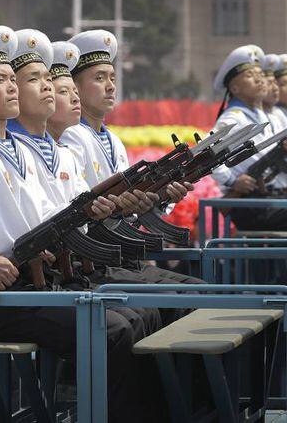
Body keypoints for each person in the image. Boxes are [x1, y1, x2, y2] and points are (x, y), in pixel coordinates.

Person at [0, 25, 165, 422]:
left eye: (12, 79)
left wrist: (82, 220)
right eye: (0, 80)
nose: (11, 87)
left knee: (137, 316)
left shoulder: (16, 147)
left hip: (36, 281)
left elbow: (47, 211)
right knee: (112, 330)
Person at [59, 29, 202, 286]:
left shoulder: (112, 140)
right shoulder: (72, 137)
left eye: (112, 77)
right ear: (75, 88)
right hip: (94, 257)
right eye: (99, 78)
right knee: (189, 292)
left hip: (119, 251)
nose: (111, 86)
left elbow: (131, 205)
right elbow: (79, 205)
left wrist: (160, 197)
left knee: (196, 289)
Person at [211, 45, 287, 229]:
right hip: (252, 206)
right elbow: (207, 155)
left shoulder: (264, 116)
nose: (260, 79)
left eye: (260, 74)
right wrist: (232, 181)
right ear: (235, 88)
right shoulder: (233, 118)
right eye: (250, 75)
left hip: (270, 200)